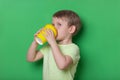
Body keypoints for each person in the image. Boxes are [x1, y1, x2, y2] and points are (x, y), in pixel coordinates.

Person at [27, 10, 82, 80]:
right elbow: (31, 58)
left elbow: (62, 65)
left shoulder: (73, 48)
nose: (54, 28)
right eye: (53, 25)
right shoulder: (49, 46)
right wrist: (35, 42)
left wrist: (53, 42)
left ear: (71, 29)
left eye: (59, 24)